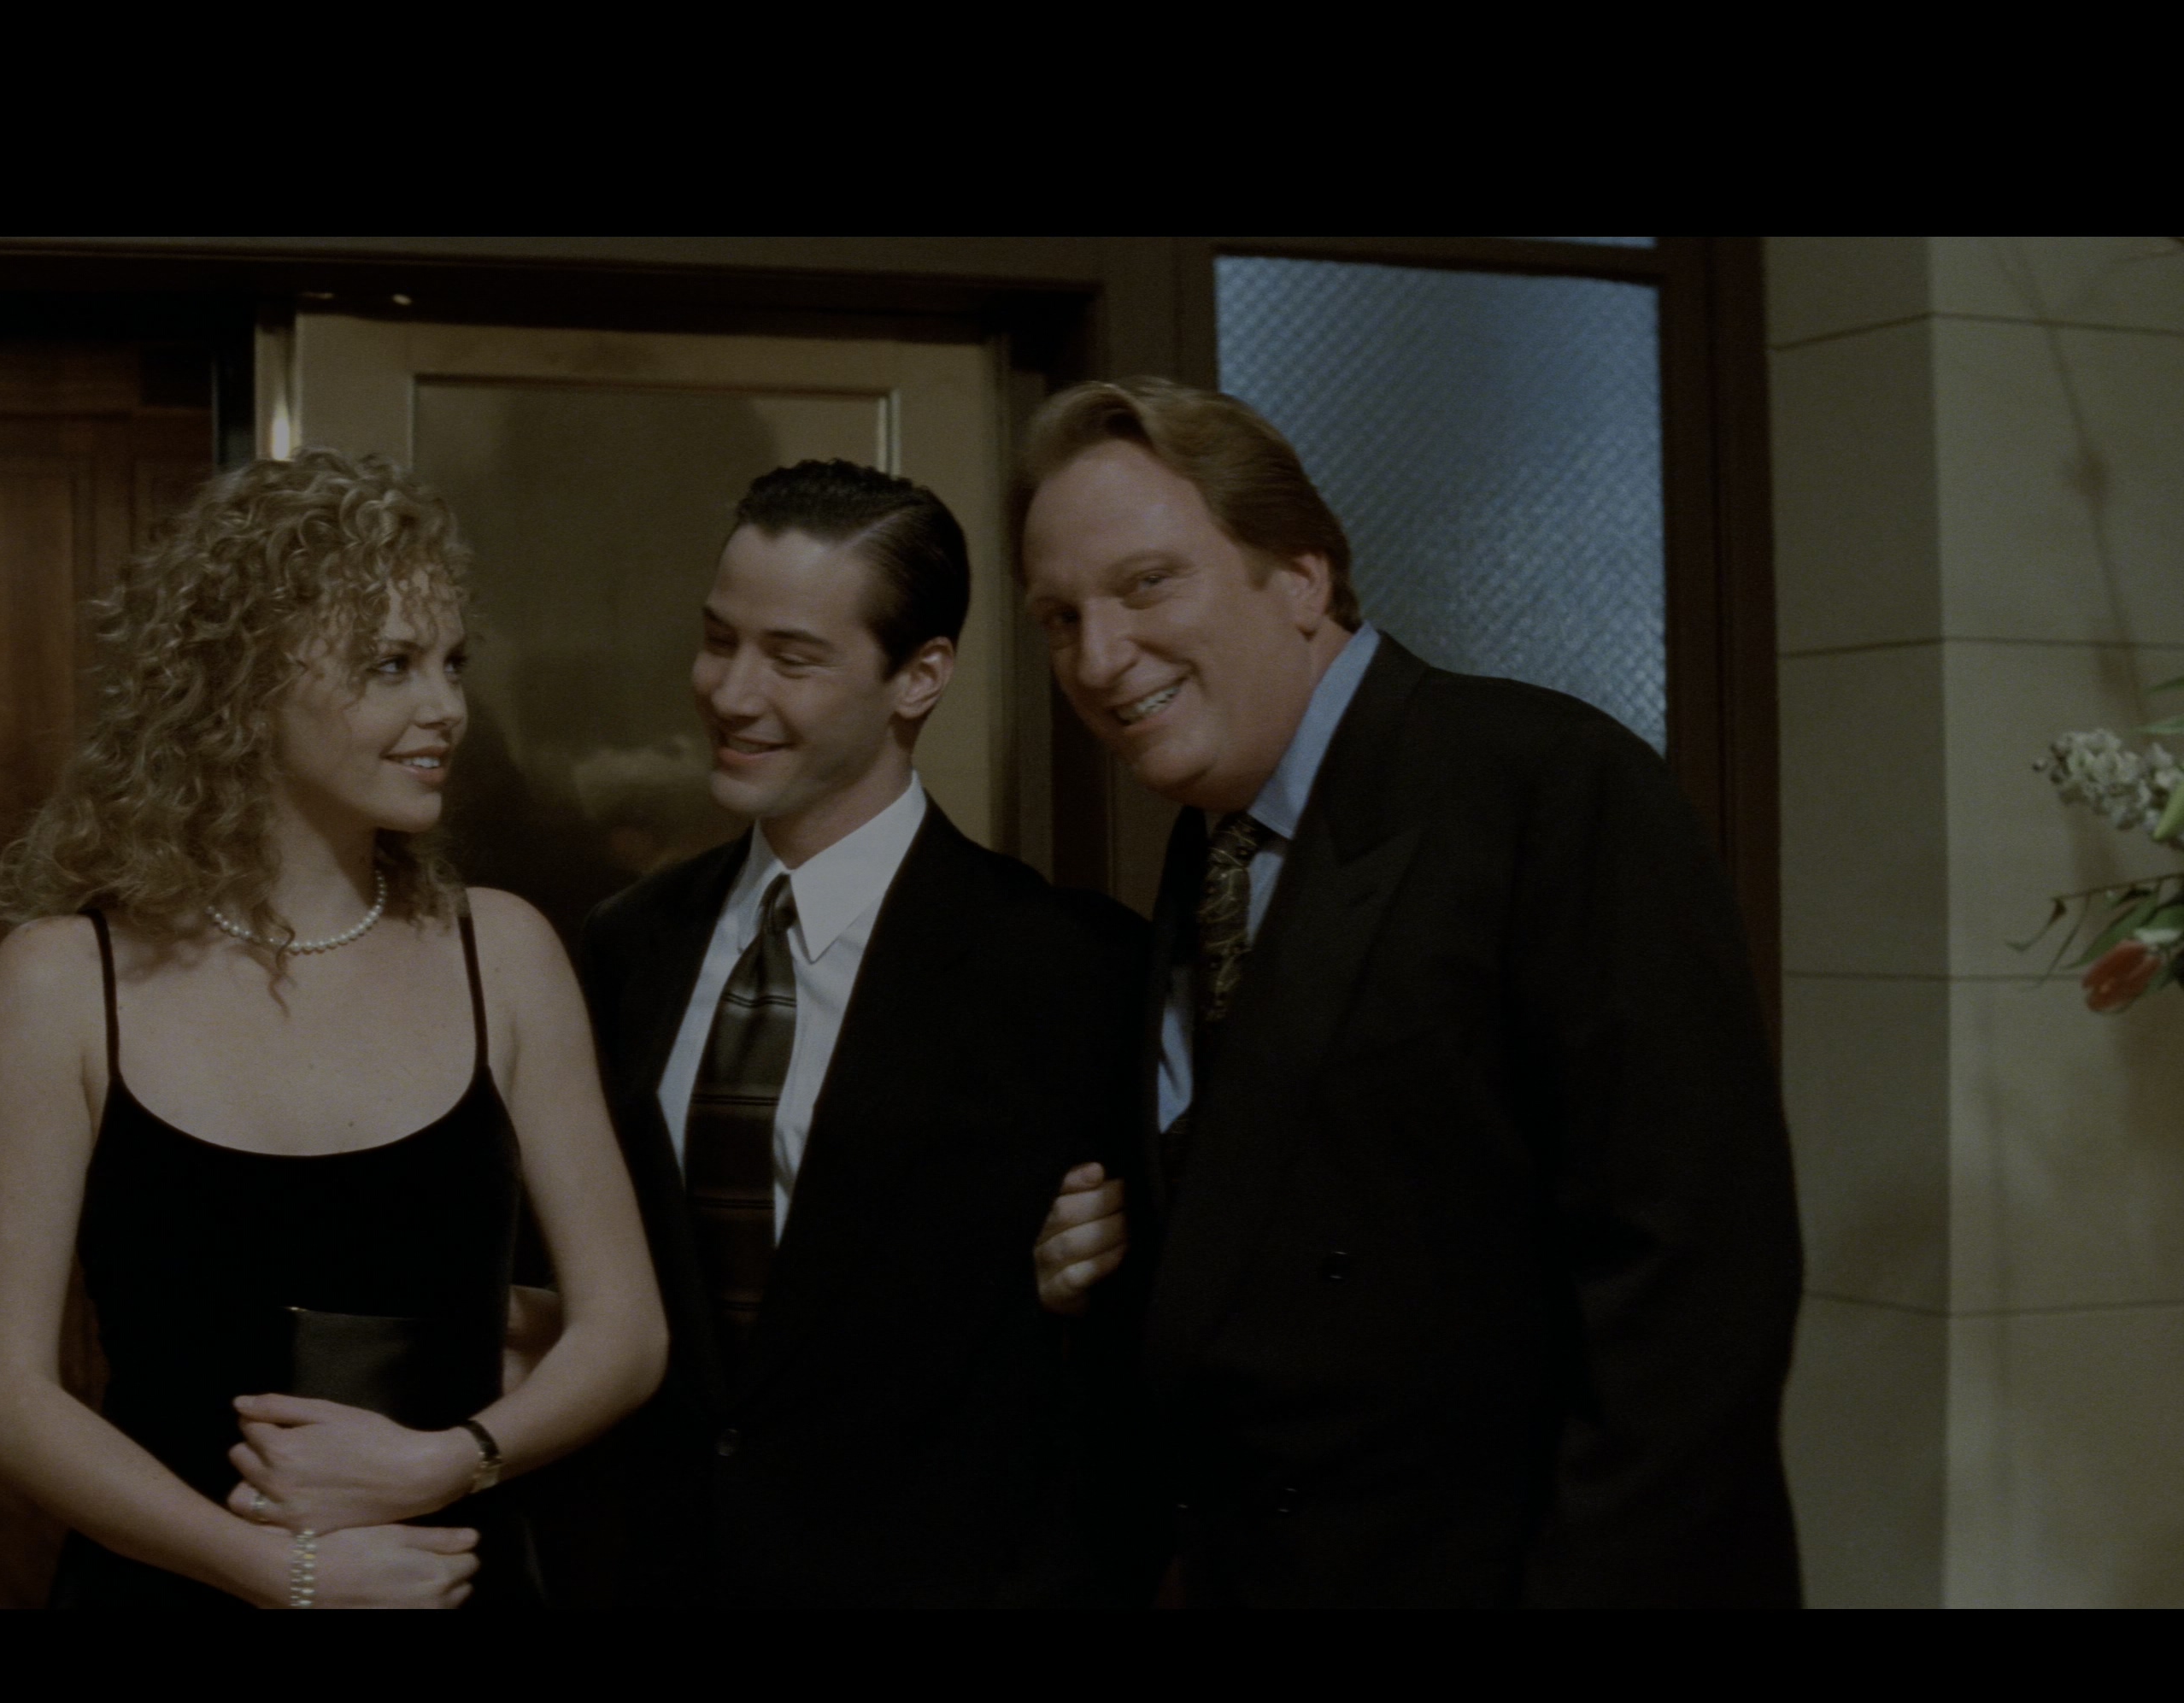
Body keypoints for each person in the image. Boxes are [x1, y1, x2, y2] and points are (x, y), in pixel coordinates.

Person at [1018, 378, 1802, 1607]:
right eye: (1061, 618)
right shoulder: (1215, 840)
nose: (1100, 658)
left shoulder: (1546, 784)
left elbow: (1694, 1289)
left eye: (1148, 584)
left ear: (1302, 577)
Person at [0, 449, 666, 1610]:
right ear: (244, 688)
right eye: (391, 666)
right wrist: (277, 1570)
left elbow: (625, 1333)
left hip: (447, 1580)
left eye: (451, 663)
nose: (446, 708)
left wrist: (454, 1460)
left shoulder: (505, 953)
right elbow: (3, 1394)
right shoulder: (62, 982)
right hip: (174, 1589)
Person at [572, 460, 1155, 1607]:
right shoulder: (627, 944)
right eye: (719, 641)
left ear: (919, 677)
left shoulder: (1071, 969)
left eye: (791, 659)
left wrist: (1112, 1265)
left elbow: (1151, 1341)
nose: (732, 693)